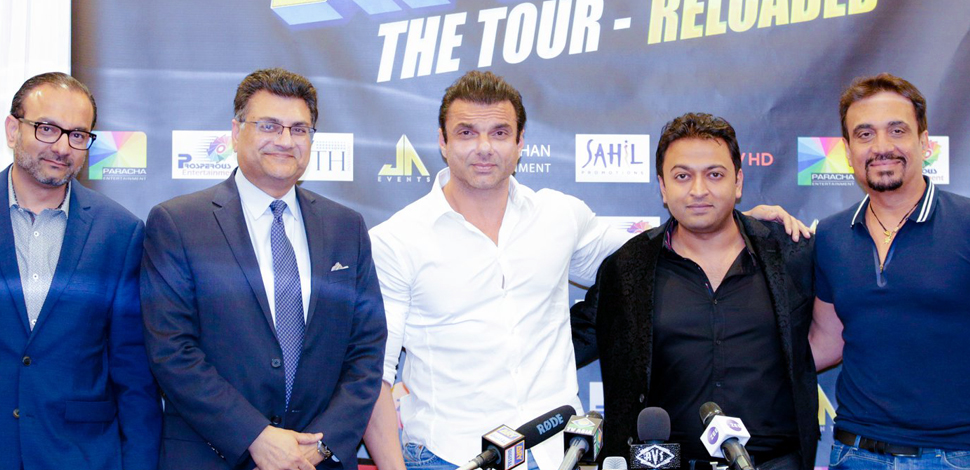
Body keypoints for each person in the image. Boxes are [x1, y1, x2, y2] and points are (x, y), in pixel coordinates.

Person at [362, 71, 811, 470]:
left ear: (520, 142)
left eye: (499, 132)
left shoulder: (559, 217)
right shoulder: (397, 240)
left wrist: (741, 224)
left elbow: (659, 249)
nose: (484, 147)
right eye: (466, 132)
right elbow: (373, 376)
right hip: (447, 453)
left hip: (557, 454)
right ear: (442, 142)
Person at [141, 68, 386, 470]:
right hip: (212, 455)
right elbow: (171, 349)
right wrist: (255, 436)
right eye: (269, 125)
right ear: (236, 131)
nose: (285, 141)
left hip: (317, 460)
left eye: (299, 129)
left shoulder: (347, 228)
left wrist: (320, 446)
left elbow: (367, 350)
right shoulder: (179, 224)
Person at [584, 113, 818, 470]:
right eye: (682, 176)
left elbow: (833, 335)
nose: (698, 190)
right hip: (664, 464)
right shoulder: (627, 267)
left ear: (738, 182)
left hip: (775, 462)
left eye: (714, 175)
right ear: (663, 187)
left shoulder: (789, 253)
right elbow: (568, 336)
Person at [0, 72, 161, 470]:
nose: (61, 147)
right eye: (47, 128)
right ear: (12, 129)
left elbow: (133, 371)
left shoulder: (119, 232)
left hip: (80, 454)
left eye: (77, 135)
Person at [810, 73, 970, 468]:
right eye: (864, 134)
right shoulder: (830, 235)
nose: (881, 147)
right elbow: (827, 342)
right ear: (847, 151)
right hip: (853, 452)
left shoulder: (966, 223)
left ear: (924, 142)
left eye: (896, 130)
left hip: (953, 455)